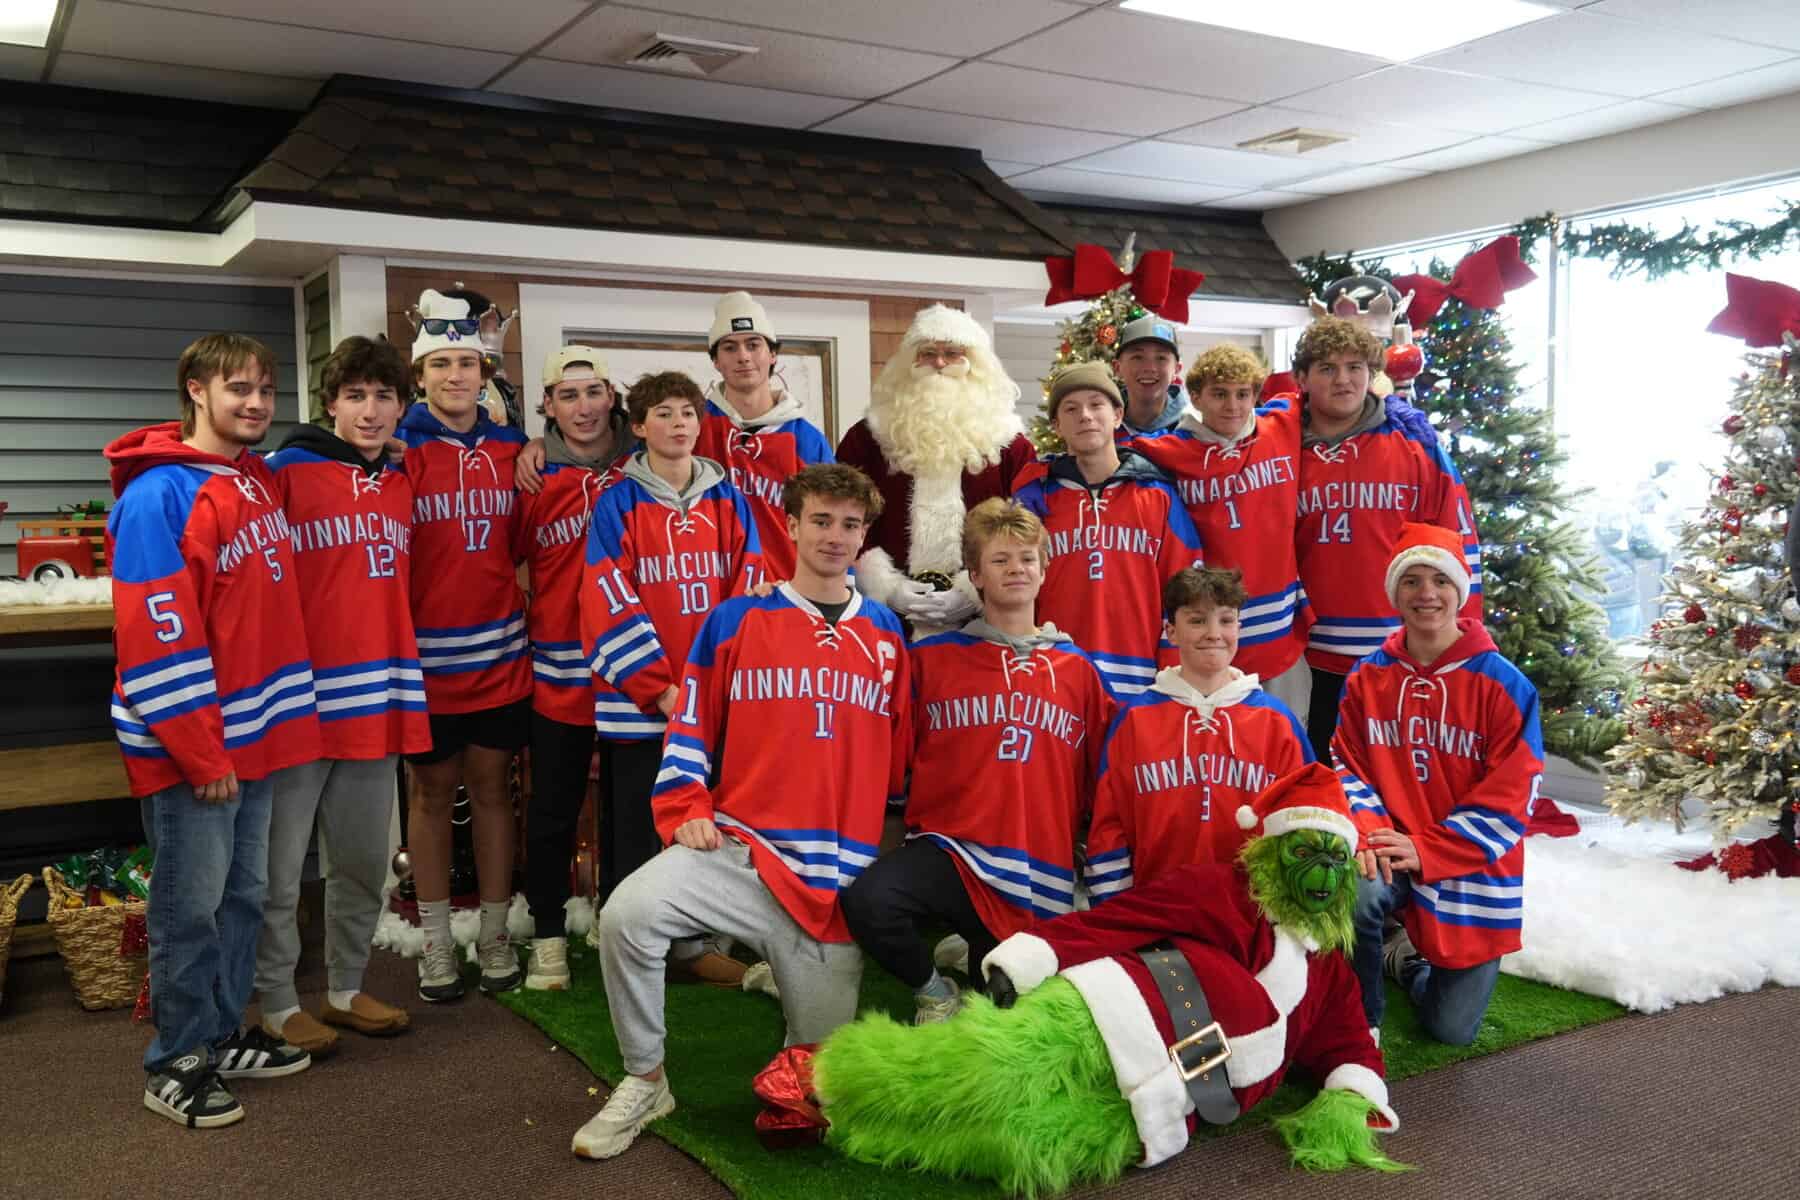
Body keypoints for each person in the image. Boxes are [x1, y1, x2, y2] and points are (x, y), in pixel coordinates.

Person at [813, 764, 1403, 1195]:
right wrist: (1032, 958)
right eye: (1305, 853)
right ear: (1273, 851)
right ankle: (831, 1082)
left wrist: (1351, 1096)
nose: (1322, 874)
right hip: (1103, 1015)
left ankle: (862, 1133)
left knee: (1022, 1145)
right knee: (984, 1072)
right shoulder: (1220, 890)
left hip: (1172, 1103)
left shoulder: (1331, 972)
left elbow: (1351, 1047)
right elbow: (1120, 920)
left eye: (1335, 859)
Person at [574, 463, 910, 1160]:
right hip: (740, 852)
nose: (834, 536)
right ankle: (646, 1079)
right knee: (626, 917)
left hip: (832, 884)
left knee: (813, 1090)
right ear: (791, 526)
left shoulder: (886, 635)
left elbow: (904, 757)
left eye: (850, 525)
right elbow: (691, 724)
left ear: (864, 536)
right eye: (820, 520)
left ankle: (797, 1034)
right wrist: (685, 805)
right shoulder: (736, 619)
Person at [106, 333, 322, 1128]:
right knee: (188, 907)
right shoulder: (159, 496)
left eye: (265, 389)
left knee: (243, 897)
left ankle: (221, 1035)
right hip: (194, 749)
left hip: (251, 737)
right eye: (238, 388)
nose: (256, 403)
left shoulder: (252, 479)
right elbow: (157, 636)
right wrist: (200, 753)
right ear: (196, 390)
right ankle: (176, 1058)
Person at [841, 499, 1111, 1024]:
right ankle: (934, 993)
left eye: (1027, 559)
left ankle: (972, 955)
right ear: (976, 576)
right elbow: (884, 738)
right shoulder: (931, 660)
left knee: (1009, 1016)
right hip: (953, 849)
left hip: (1037, 866)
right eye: (1000, 560)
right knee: (871, 901)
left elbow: (1105, 777)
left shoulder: (1079, 671)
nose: (1016, 570)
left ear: (1044, 569)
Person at [256, 336, 425, 1056]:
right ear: (330, 404)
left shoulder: (402, 479)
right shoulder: (282, 472)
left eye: (384, 396)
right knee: (279, 868)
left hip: (375, 702)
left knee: (360, 860)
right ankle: (275, 1001)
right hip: (298, 705)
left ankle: (346, 988)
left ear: (402, 406)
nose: (371, 410)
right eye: (355, 396)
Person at [579, 371, 762, 993]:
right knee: (638, 823)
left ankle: (698, 941)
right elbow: (606, 596)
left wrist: (716, 688)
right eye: (663, 412)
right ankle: (636, 948)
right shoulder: (618, 503)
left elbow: (748, 594)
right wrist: (659, 689)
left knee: (707, 817)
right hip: (642, 703)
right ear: (638, 426)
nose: (678, 423)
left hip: (709, 702)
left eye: (687, 412)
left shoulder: (729, 499)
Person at [1333, 523, 1544, 1046]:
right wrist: (1375, 835)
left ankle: (1405, 961)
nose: (1426, 593)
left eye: (1440, 581)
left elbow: (1513, 795)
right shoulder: (1366, 678)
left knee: (1450, 1030)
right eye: (1411, 581)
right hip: (1389, 843)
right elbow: (1345, 765)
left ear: (1459, 591)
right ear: (1395, 592)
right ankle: (1360, 1024)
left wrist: (1428, 849)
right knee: (1355, 890)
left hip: (1468, 861)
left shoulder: (1505, 684)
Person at [395, 288, 531, 1001]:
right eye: (441, 364)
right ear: (419, 375)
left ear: (485, 372)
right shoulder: (397, 450)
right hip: (425, 662)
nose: (456, 376)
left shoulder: (514, 449)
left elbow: (525, 546)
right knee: (428, 795)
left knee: (493, 792)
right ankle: (437, 942)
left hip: (500, 654)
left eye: (467, 363)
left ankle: (498, 933)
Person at [1284, 316, 1481, 760]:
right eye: (1327, 368)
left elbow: (1451, 546)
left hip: (1400, 650)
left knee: (1396, 775)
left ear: (1371, 373)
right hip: (1309, 657)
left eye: (1355, 367)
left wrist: (1456, 634)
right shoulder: (1279, 448)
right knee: (1321, 778)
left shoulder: (1415, 444)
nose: (1343, 380)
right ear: (1302, 378)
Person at [1084, 567, 1314, 903]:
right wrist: (1116, 912)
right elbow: (1109, 827)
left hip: (1251, 914)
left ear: (1239, 627)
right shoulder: (1134, 721)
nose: (1213, 633)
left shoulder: (1277, 722)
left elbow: (1304, 821)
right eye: (1197, 620)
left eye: (1226, 620)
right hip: (1154, 909)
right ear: (1170, 631)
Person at [515, 345, 633, 991]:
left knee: (627, 813)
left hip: (631, 674)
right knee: (554, 810)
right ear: (548, 406)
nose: (583, 408)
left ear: (611, 397)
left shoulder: (643, 467)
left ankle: (620, 926)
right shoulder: (532, 477)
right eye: (568, 396)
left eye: (592, 393)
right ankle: (548, 936)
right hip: (559, 671)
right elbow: (505, 563)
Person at [835, 304, 1036, 634]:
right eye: (928, 353)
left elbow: (1026, 531)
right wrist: (885, 586)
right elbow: (841, 515)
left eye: (953, 353)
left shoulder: (1011, 445)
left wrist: (975, 591)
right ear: (909, 362)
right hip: (884, 621)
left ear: (976, 364)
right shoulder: (868, 438)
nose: (940, 363)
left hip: (983, 624)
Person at [1134, 344, 1310, 715]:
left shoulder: (1282, 425)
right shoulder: (1166, 450)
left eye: (1242, 394)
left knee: (1285, 735)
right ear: (1196, 397)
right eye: (1219, 394)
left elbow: (1338, 393)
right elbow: (1105, 448)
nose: (1233, 405)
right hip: (1213, 631)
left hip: (1279, 633)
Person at [1013, 361, 1203, 696]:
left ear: (1117, 415)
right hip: (1054, 674)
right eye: (1071, 409)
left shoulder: (1158, 496)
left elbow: (1186, 586)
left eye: (1096, 404)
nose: (1085, 416)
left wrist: (1174, 668)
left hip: (1140, 676)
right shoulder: (1037, 499)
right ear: (1056, 425)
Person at [694, 291, 835, 580]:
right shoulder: (693, 428)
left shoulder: (806, 440)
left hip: (787, 590)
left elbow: (833, 523)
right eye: (730, 347)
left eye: (753, 345)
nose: (743, 356)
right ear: (716, 361)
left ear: (772, 355)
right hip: (714, 589)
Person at [1112, 313, 1191, 439]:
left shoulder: (1194, 430)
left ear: (1176, 370)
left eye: (1161, 358)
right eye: (1137, 357)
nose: (1149, 368)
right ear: (1117, 368)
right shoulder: (1102, 427)